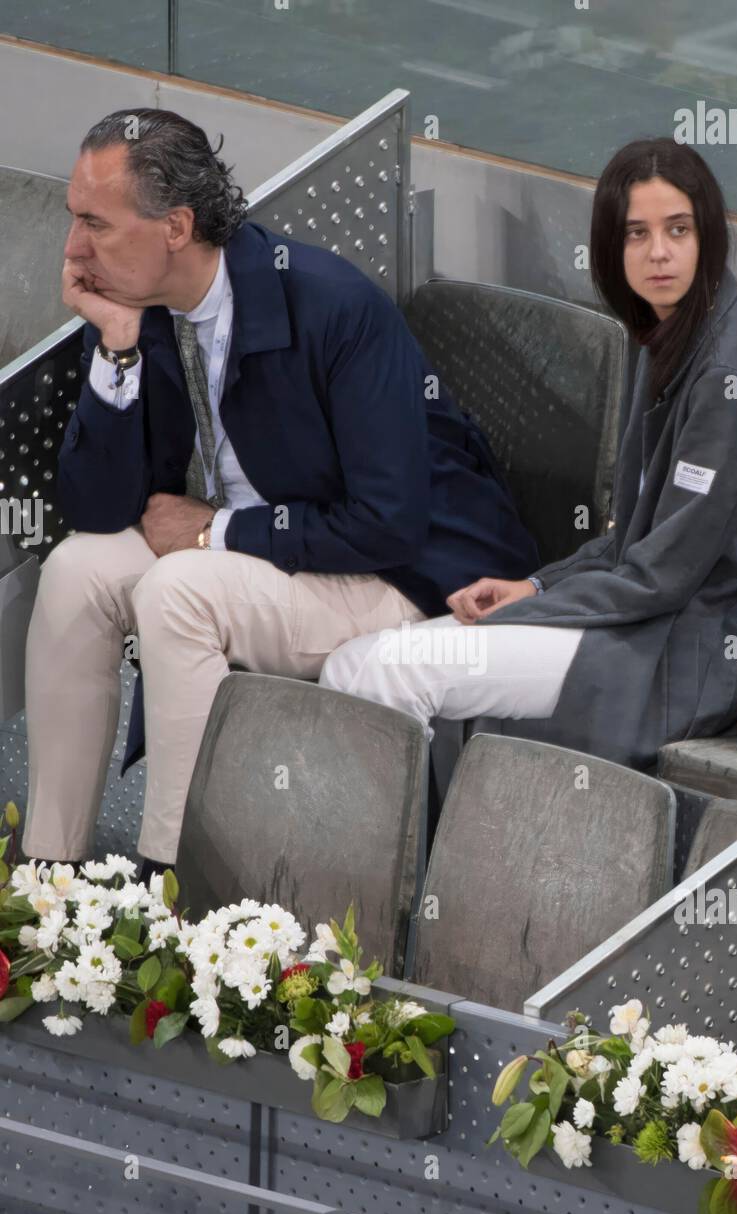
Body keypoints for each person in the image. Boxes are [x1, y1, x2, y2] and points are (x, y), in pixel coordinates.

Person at [21, 108, 538, 880]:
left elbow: (388, 524)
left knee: (178, 590)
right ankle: (50, 879)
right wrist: (117, 351)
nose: (72, 249)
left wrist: (217, 532)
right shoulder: (143, 310)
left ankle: (172, 896)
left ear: (175, 227)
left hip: (405, 573)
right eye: (74, 220)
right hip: (262, 558)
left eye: (96, 223)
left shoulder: (332, 307)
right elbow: (98, 510)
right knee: (75, 569)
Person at [320, 138, 737, 770]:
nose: (660, 253)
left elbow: (659, 575)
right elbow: (637, 546)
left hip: (712, 646)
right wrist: (533, 584)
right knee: (352, 666)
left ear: (708, 236)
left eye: (679, 229)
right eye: (636, 234)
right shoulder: (681, 330)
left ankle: (410, 868)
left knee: (386, 672)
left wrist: (536, 605)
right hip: (671, 614)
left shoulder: (725, 368)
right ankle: (433, 852)